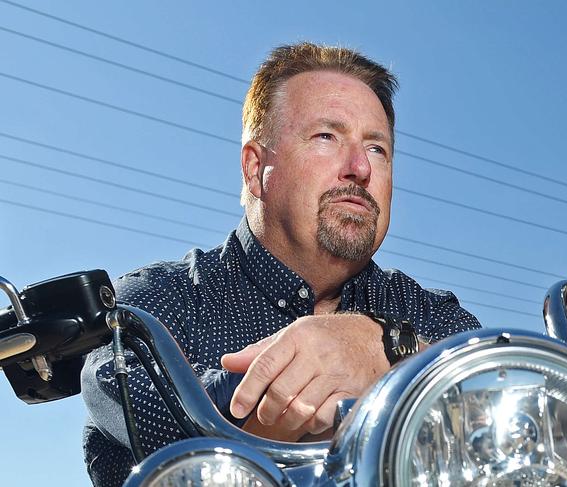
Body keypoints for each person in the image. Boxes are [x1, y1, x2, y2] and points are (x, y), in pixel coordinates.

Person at [80, 42, 481, 486]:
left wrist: (385, 348)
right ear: (255, 169)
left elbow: (498, 409)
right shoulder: (161, 301)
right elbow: (124, 391)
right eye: (327, 136)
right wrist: (280, 394)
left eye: (377, 149)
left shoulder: (431, 314)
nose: (359, 168)